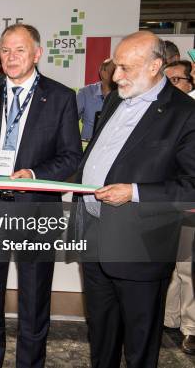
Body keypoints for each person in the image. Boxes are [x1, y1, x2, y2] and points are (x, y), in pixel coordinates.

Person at [0, 23, 82, 368]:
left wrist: (36, 175)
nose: (10, 57)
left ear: (37, 53)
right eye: (5, 50)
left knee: (34, 300)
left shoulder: (60, 96)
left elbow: (71, 156)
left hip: (36, 210)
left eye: (20, 50)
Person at [73, 31, 195, 367]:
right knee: (101, 336)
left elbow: (191, 185)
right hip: (95, 237)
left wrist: (135, 193)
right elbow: (97, 158)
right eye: (115, 67)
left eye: (125, 68)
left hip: (141, 248)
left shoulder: (185, 113)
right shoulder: (116, 99)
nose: (115, 77)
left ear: (156, 66)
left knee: (140, 344)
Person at [162, 59, 195, 354]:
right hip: (163, 205)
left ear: (189, 83)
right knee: (169, 266)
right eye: (167, 79)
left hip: (188, 205)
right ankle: (170, 318)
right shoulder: (164, 114)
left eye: (176, 80)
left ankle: (191, 328)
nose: (171, 85)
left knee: (186, 268)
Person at [76, 58, 116, 141]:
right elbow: (69, 121)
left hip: (113, 144)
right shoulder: (85, 92)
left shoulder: (125, 94)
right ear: (102, 72)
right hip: (87, 145)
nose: (118, 74)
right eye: (114, 70)